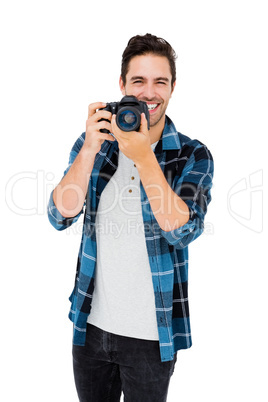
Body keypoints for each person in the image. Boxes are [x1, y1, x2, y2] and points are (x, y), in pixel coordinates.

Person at [48, 33, 214, 402]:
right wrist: (90, 147)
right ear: (122, 85)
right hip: (90, 327)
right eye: (138, 81)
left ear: (173, 87)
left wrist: (144, 156)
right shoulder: (96, 144)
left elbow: (183, 230)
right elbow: (59, 214)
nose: (149, 93)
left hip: (152, 337)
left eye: (160, 81)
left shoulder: (192, 154)